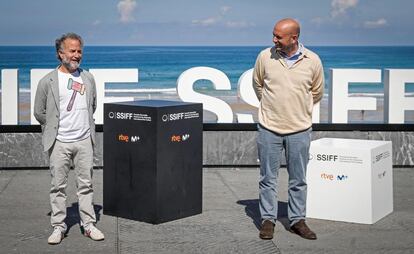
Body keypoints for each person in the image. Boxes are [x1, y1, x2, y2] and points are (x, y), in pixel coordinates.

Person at [252, 18, 324, 240]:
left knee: (298, 178)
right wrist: (273, 107)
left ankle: (297, 221)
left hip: (299, 129)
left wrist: (297, 109)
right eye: (273, 35)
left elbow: (317, 92)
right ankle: (267, 220)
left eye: (278, 36)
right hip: (268, 128)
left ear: (294, 38)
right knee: (268, 178)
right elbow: (258, 84)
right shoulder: (265, 56)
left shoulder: (313, 60)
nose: (274, 40)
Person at [34, 33, 104, 244]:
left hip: (84, 140)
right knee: (58, 186)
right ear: (60, 53)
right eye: (72, 51)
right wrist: (56, 128)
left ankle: (88, 224)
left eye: (79, 51)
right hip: (59, 142)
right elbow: (39, 112)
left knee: (86, 185)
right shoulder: (47, 81)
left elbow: (93, 105)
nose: (77, 55)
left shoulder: (88, 78)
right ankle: (59, 226)